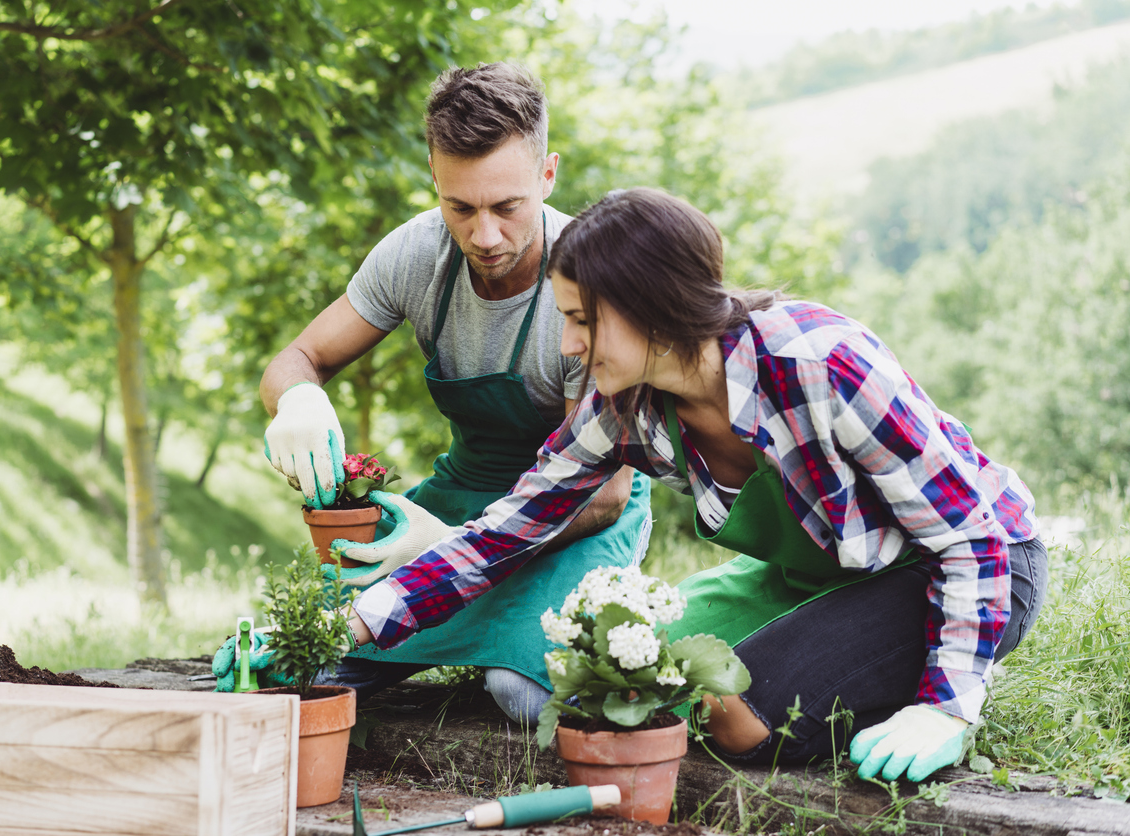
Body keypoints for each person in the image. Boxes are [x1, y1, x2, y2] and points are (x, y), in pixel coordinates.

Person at [340, 187, 1047, 783]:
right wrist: (358, 622)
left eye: (583, 320)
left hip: (961, 568)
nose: (568, 345)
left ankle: (946, 672)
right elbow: (507, 530)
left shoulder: (821, 362)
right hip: (812, 578)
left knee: (735, 718)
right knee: (612, 678)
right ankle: (854, 661)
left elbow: (970, 536)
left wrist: (947, 706)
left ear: (650, 305)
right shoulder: (623, 405)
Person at [230, 64, 653, 725]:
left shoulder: (586, 281)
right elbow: (298, 358)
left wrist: (453, 545)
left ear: (547, 176)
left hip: (574, 515)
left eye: (507, 207)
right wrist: (298, 400)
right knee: (299, 659)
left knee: (519, 693)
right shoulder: (415, 255)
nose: (484, 236)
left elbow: (601, 495)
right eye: (461, 207)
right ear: (435, 177)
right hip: (459, 495)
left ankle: (500, 644)